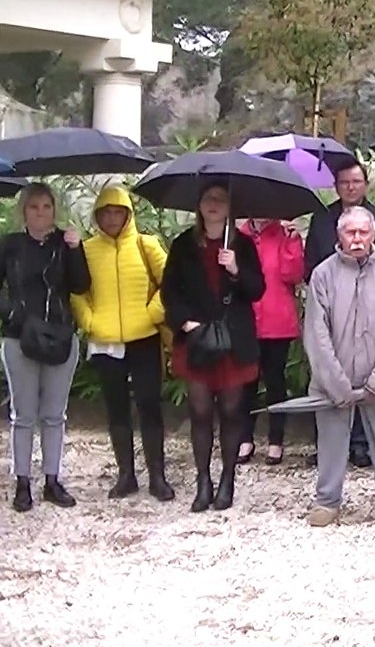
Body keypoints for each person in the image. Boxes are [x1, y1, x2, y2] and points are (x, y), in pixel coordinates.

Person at [161, 181, 266, 513]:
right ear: (199, 206)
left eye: (221, 200)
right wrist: (185, 322)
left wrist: (235, 269)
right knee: (200, 411)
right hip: (198, 339)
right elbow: (169, 291)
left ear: (229, 207)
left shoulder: (243, 245)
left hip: (234, 339)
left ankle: (227, 479)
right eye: (209, 199)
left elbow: (257, 289)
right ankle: (203, 480)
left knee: (232, 412)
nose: (214, 205)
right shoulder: (182, 245)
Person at [304, 206, 375, 527]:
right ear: (339, 236)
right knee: (332, 442)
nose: (357, 239)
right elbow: (316, 333)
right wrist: (336, 385)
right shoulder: (323, 274)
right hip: (332, 382)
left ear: (373, 235)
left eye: (363, 232)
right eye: (350, 232)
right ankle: (327, 500)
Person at [70, 185, 174, 501]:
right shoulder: (86, 250)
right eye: (106, 212)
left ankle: (157, 476)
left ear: (128, 214)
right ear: (97, 215)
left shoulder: (146, 245)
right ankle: (126, 475)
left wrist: (150, 312)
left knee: (149, 405)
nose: (112, 218)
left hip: (144, 337)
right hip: (106, 341)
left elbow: (171, 282)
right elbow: (77, 291)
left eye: (118, 212)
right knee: (116, 409)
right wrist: (89, 322)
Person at [1, 183, 90, 512]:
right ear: (24, 210)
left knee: (54, 415)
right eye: (34, 207)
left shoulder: (63, 244)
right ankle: (22, 481)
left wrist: (76, 248)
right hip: (20, 336)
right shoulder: (10, 245)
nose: (41, 213)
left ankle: (52, 479)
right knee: (23, 416)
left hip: (59, 336)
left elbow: (81, 285)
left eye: (47, 207)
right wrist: (15, 314)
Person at [304, 161, 375, 468]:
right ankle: (328, 446)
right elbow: (310, 261)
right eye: (344, 182)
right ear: (336, 186)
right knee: (329, 372)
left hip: (370, 308)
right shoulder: (322, 219)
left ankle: (362, 444)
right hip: (330, 305)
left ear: (366, 184)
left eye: (356, 181)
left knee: (366, 375)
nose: (350, 187)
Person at [237, 217, 305, 465]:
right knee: (246, 381)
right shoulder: (238, 235)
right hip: (245, 319)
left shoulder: (283, 234)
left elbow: (293, 274)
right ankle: (245, 437)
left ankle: (276, 440)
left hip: (277, 319)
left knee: (275, 382)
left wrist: (292, 243)